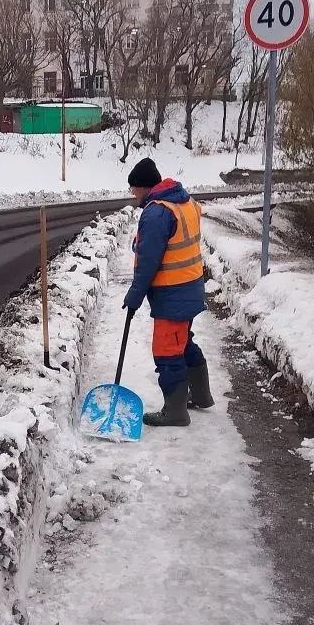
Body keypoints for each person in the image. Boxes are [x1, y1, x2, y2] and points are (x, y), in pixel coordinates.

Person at [122, 158, 214, 426]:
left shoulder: (156, 213)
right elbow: (170, 244)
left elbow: (148, 262)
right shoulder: (183, 202)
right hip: (191, 286)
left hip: (172, 293)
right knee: (182, 342)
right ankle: (201, 395)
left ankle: (175, 411)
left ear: (144, 187)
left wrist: (135, 295)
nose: (133, 195)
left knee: (167, 351)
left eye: (133, 189)